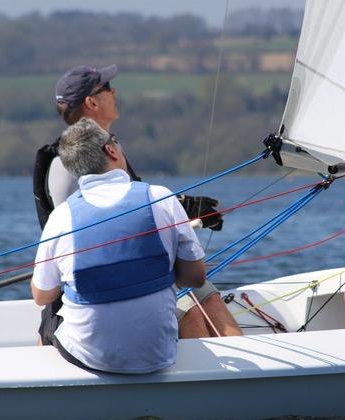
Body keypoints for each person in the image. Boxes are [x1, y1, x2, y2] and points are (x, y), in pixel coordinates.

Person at [33, 64, 242, 340]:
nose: (115, 91)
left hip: (146, 264)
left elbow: (126, 201)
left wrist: (184, 206)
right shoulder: (67, 162)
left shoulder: (108, 146)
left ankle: (246, 378)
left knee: (210, 300)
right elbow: (84, 229)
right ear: (91, 102)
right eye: (107, 88)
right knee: (192, 313)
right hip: (107, 281)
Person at [31, 118, 207, 373]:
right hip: (158, 354)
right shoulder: (161, 197)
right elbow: (196, 277)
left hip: (91, 359)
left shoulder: (62, 216)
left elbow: (41, 295)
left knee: (49, 315)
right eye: (116, 141)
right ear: (111, 150)